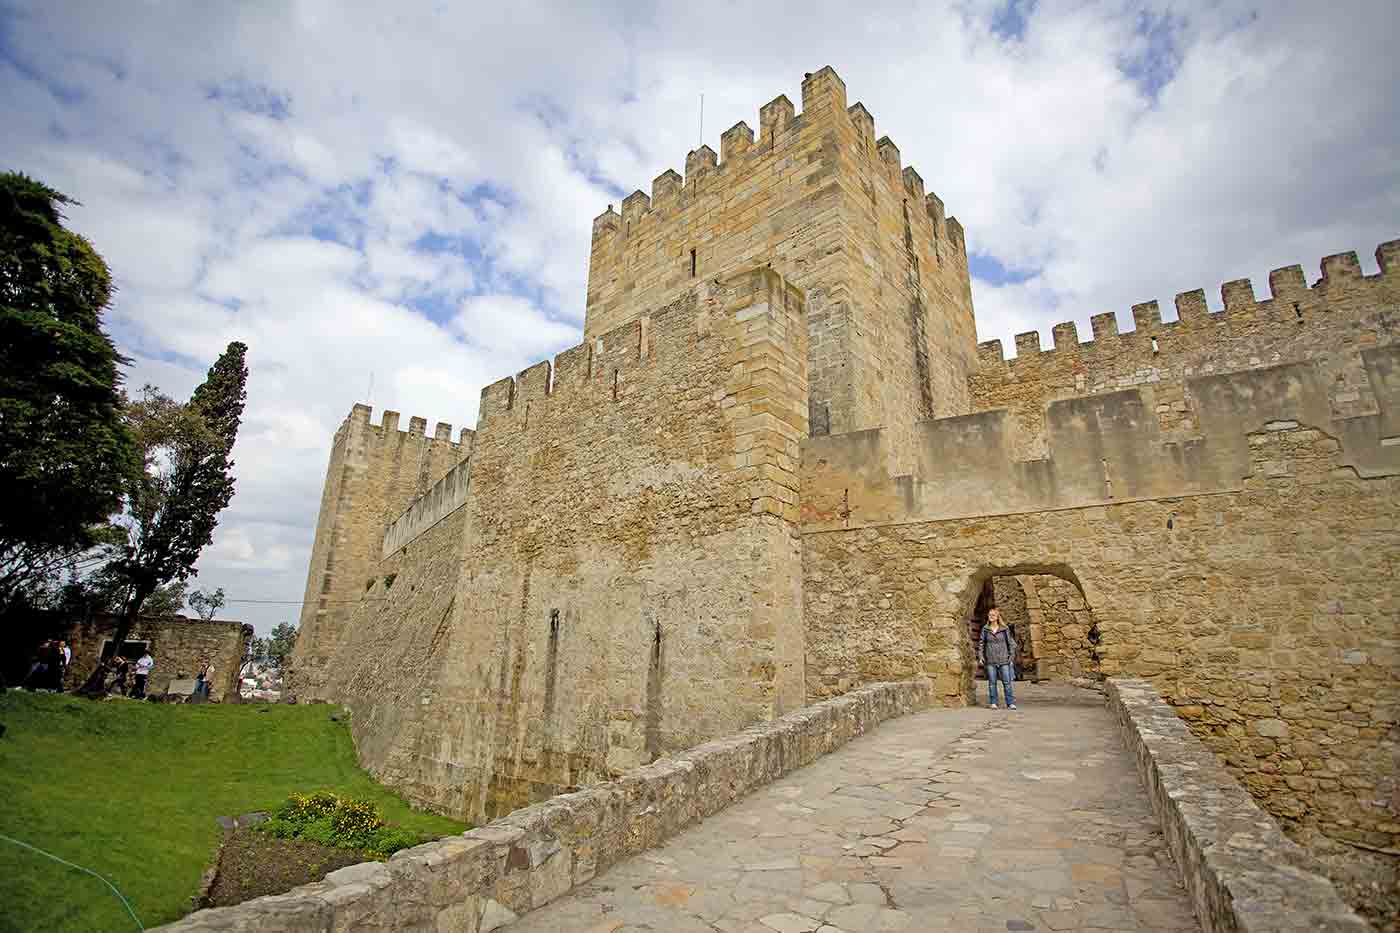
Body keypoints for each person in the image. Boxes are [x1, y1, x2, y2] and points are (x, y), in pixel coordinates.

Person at [978, 608, 1018, 709]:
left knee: (1007, 682)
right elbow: (982, 644)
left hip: (1004, 659)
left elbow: (1010, 643)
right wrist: (981, 656)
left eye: (993, 615)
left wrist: (1011, 656)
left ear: (997, 617)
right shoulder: (985, 629)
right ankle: (993, 702)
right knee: (992, 683)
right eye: (989, 615)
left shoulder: (1004, 629)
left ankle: (1010, 703)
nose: (990, 617)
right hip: (991, 660)